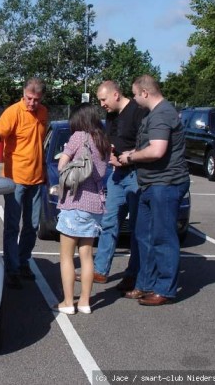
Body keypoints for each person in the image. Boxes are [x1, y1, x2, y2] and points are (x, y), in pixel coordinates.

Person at [118, 75, 190, 306]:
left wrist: (130, 157)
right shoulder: (153, 114)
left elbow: (157, 151)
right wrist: (130, 154)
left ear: (145, 93)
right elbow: (149, 147)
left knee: (163, 237)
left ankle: (165, 289)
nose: (135, 99)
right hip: (150, 184)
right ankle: (145, 284)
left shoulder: (161, 114)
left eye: (136, 94)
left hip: (165, 184)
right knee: (143, 236)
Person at [0, 78, 48, 289]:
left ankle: (23, 261)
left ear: (41, 98)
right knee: (12, 226)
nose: (32, 103)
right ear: (23, 94)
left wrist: (45, 173)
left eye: (36, 100)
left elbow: (39, 146)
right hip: (15, 181)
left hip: (37, 180)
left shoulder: (43, 113)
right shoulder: (13, 112)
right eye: (29, 98)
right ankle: (11, 268)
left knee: (32, 226)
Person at [90, 81, 148, 291]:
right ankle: (100, 270)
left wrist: (127, 158)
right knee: (109, 221)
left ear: (115, 95)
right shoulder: (112, 115)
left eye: (103, 100)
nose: (102, 104)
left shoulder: (137, 111)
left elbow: (145, 144)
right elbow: (111, 140)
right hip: (117, 175)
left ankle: (133, 275)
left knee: (136, 228)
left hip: (135, 174)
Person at [53, 104, 110, 314]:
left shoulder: (79, 137)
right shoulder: (103, 140)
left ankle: (68, 302)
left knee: (66, 256)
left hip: (75, 202)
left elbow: (61, 166)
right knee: (86, 256)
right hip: (95, 205)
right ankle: (85, 302)